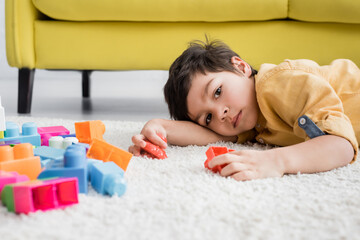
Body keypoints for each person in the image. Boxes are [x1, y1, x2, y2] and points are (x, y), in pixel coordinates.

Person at [129, 38, 360, 181]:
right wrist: (159, 127)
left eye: (217, 91)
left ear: (240, 66)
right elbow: (215, 135)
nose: (220, 114)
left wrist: (276, 161)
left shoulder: (279, 84)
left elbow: (340, 146)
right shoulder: (251, 120)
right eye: (208, 117)